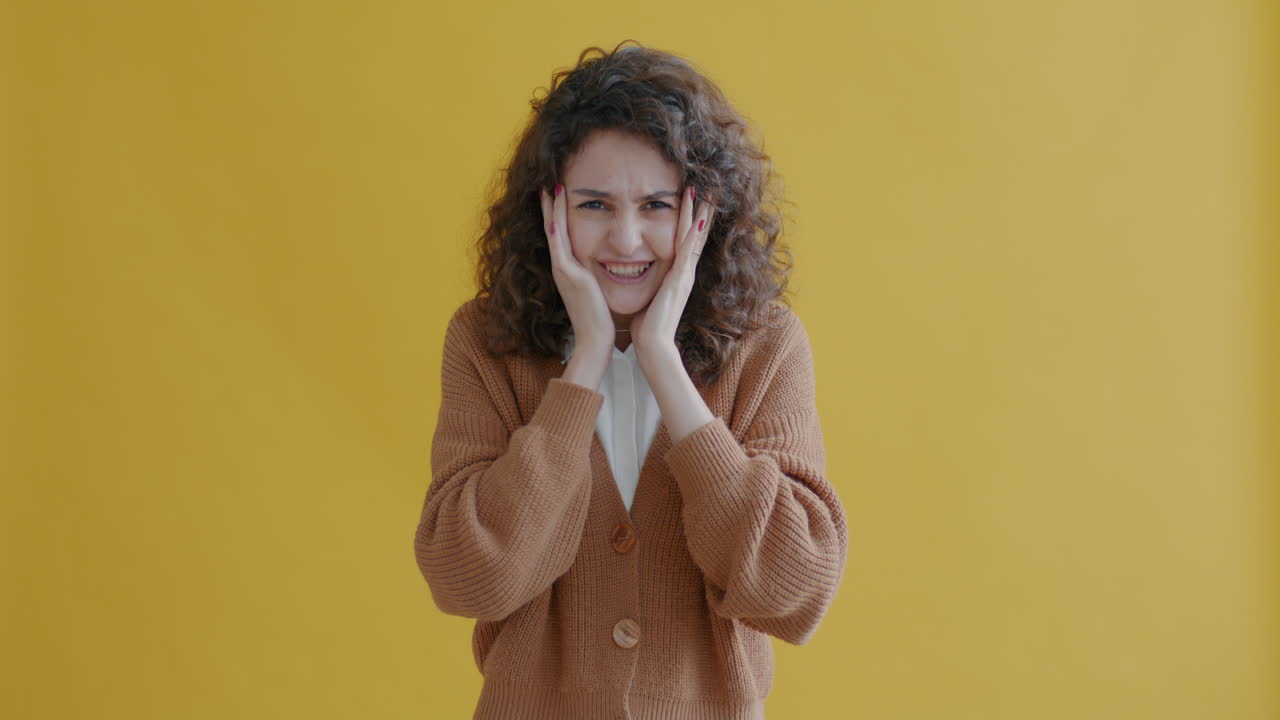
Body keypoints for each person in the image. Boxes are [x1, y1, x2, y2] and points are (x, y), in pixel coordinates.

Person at [414, 40, 848, 719]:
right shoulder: (485, 342)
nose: (625, 239)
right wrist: (585, 363)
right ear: (549, 210)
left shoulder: (766, 346)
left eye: (655, 205)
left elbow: (793, 589)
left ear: (702, 214)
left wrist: (663, 365)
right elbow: (469, 577)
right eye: (594, 205)